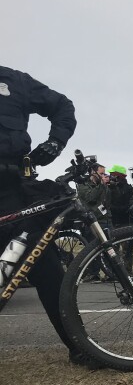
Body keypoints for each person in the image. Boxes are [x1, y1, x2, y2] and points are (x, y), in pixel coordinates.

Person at [0, 65, 96, 367]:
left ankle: (80, 346)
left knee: (46, 267)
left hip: (13, 188)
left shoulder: (14, 80)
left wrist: (55, 142)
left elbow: (62, 106)